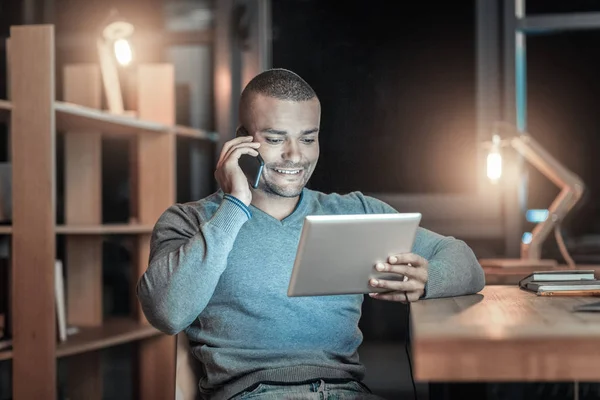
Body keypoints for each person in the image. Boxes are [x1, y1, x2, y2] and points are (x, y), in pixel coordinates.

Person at [137, 68, 485, 400]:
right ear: (242, 140)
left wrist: (429, 280)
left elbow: (466, 262)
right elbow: (167, 313)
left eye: (308, 138)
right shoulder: (189, 221)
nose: (295, 155)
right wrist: (235, 205)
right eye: (275, 139)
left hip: (347, 392)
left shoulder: (355, 213)